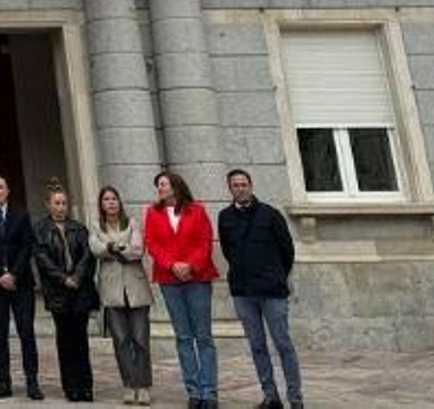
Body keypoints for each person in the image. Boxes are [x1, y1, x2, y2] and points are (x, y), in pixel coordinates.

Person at [219, 169, 302, 409]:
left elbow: (287, 251)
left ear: (251, 186)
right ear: (230, 189)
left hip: (272, 291)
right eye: (235, 185)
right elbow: (227, 251)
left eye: (244, 184)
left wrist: (276, 275)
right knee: (257, 345)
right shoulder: (225, 217)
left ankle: (295, 398)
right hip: (243, 292)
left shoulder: (271, 214)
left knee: (283, 343)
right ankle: (271, 396)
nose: (240, 188)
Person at [144, 171, 219, 409]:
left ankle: (210, 391)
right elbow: (152, 243)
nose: (160, 188)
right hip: (169, 279)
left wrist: (191, 265)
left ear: (176, 186)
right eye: (158, 185)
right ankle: (194, 391)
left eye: (163, 184)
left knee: (203, 336)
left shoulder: (197, 210)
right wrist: (172, 265)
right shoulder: (153, 212)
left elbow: (205, 241)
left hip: (197, 278)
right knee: (183, 337)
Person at [0, 174, 43, 400]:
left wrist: (13, 273)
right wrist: (0, 274)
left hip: (21, 283)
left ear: (7, 190)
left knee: (26, 333)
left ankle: (32, 382)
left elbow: (26, 246)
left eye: (0, 187)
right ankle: (4, 382)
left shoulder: (21, 214)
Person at [32, 180, 97, 403]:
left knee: (81, 340)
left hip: (80, 291)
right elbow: (42, 259)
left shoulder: (79, 228)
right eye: (57, 203)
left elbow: (87, 256)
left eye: (64, 203)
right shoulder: (41, 229)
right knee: (65, 340)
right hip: (59, 292)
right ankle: (70, 387)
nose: (61, 207)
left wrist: (77, 277)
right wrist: (63, 278)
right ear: (48, 205)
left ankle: (86, 385)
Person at [91, 185, 153, 406]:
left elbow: (137, 250)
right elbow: (95, 248)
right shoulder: (96, 225)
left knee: (141, 340)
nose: (111, 202)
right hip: (111, 292)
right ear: (101, 204)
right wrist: (117, 246)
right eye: (106, 199)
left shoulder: (133, 223)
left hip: (136, 291)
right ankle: (129, 385)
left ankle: (144, 385)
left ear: (120, 202)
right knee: (121, 341)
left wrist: (113, 248)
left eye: (114, 198)